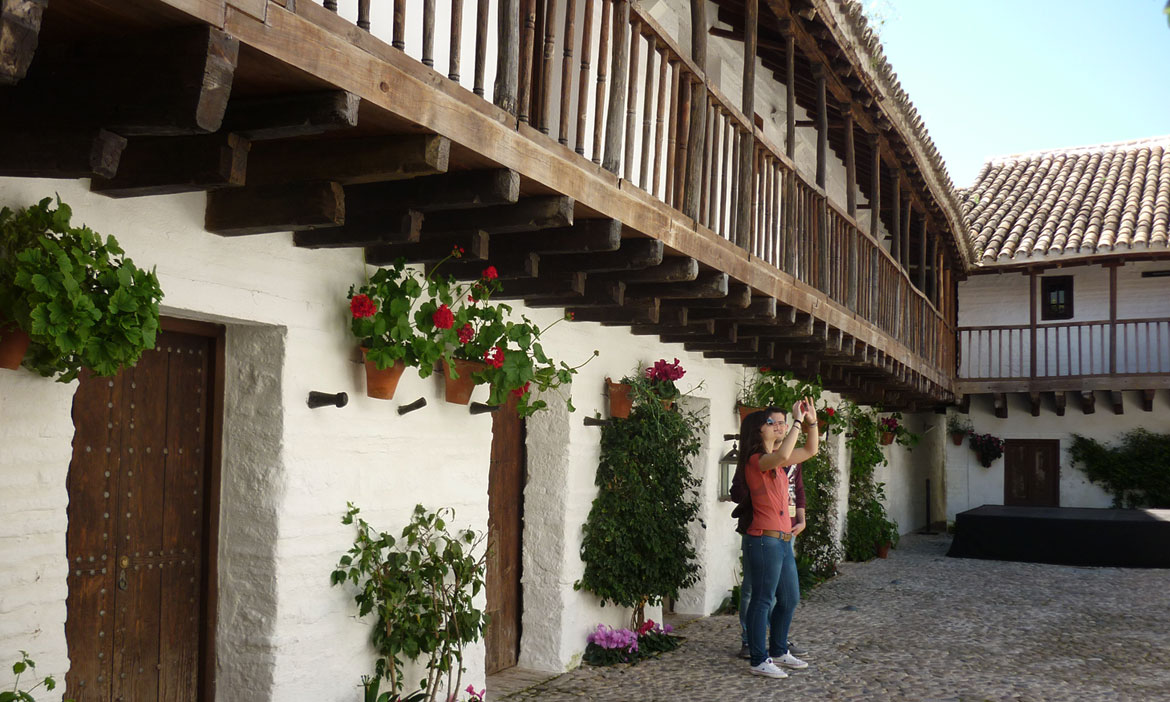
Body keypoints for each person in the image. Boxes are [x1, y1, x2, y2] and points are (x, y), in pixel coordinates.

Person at [733, 399, 818, 679]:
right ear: (759, 431)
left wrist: (812, 422)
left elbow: (810, 449)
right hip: (763, 539)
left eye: (780, 423)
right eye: (772, 423)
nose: (778, 426)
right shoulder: (757, 460)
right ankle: (759, 658)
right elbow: (781, 456)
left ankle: (779, 650)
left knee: (789, 598)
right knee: (762, 599)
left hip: (782, 540)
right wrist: (795, 421)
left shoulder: (778, 463)